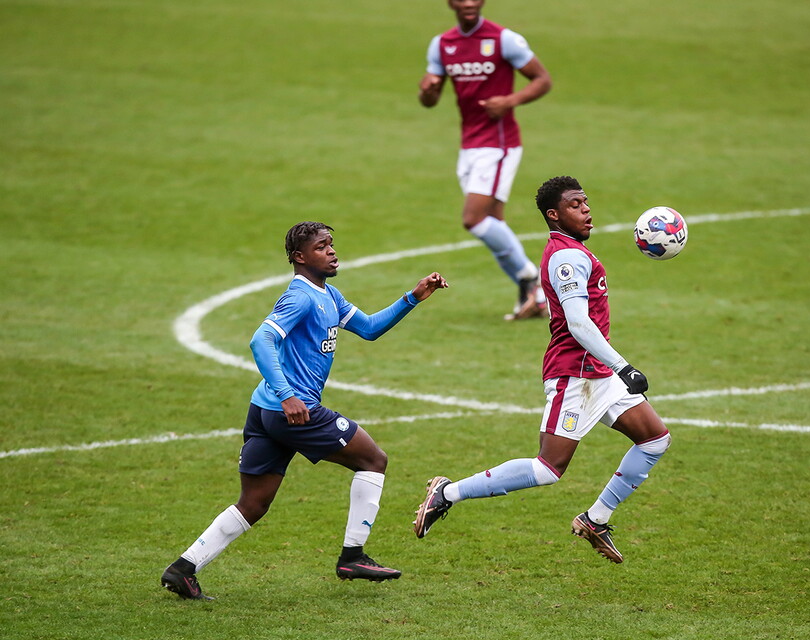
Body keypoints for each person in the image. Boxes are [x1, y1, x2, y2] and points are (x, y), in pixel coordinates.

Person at [161, 221, 448, 599]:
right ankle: (353, 555)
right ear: (299, 257)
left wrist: (412, 297)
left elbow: (369, 328)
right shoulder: (299, 297)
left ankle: (183, 569)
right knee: (373, 460)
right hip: (292, 410)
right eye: (320, 246)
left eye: (331, 244)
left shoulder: (328, 295)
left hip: (264, 411)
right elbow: (260, 340)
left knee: (254, 502)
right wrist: (287, 394)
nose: (331, 251)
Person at [413, 177, 671, 563]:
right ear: (554, 214)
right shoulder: (568, 257)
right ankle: (447, 493)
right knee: (549, 467)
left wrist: (612, 368)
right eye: (575, 204)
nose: (586, 210)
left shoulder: (569, 251)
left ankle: (595, 519)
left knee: (654, 440)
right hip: (574, 376)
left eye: (586, 202)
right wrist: (625, 367)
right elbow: (578, 322)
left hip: (596, 372)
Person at [418, 0, 552, 320]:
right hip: (470, 145)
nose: (468, 3)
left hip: (500, 144)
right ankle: (532, 298)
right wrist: (428, 90)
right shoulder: (442, 45)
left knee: (473, 218)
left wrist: (510, 100)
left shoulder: (504, 39)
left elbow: (542, 79)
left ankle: (534, 282)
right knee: (494, 225)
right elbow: (429, 99)